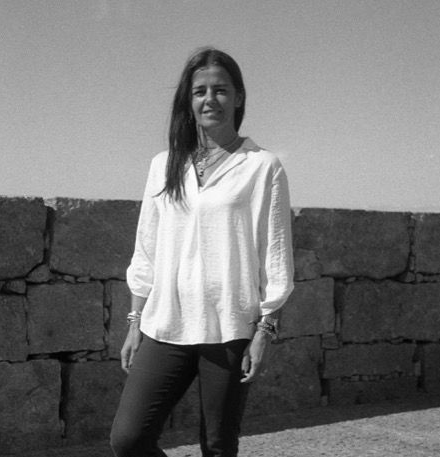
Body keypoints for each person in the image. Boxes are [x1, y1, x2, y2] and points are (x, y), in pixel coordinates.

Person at [110, 47, 294, 457]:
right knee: (128, 439)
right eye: (200, 91)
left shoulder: (262, 166)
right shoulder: (164, 165)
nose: (210, 99)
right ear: (188, 100)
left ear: (239, 97)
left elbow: (275, 255)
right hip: (166, 323)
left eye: (221, 90)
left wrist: (264, 331)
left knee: (217, 445)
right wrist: (134, 321)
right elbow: (147, 246)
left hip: (229, 326)